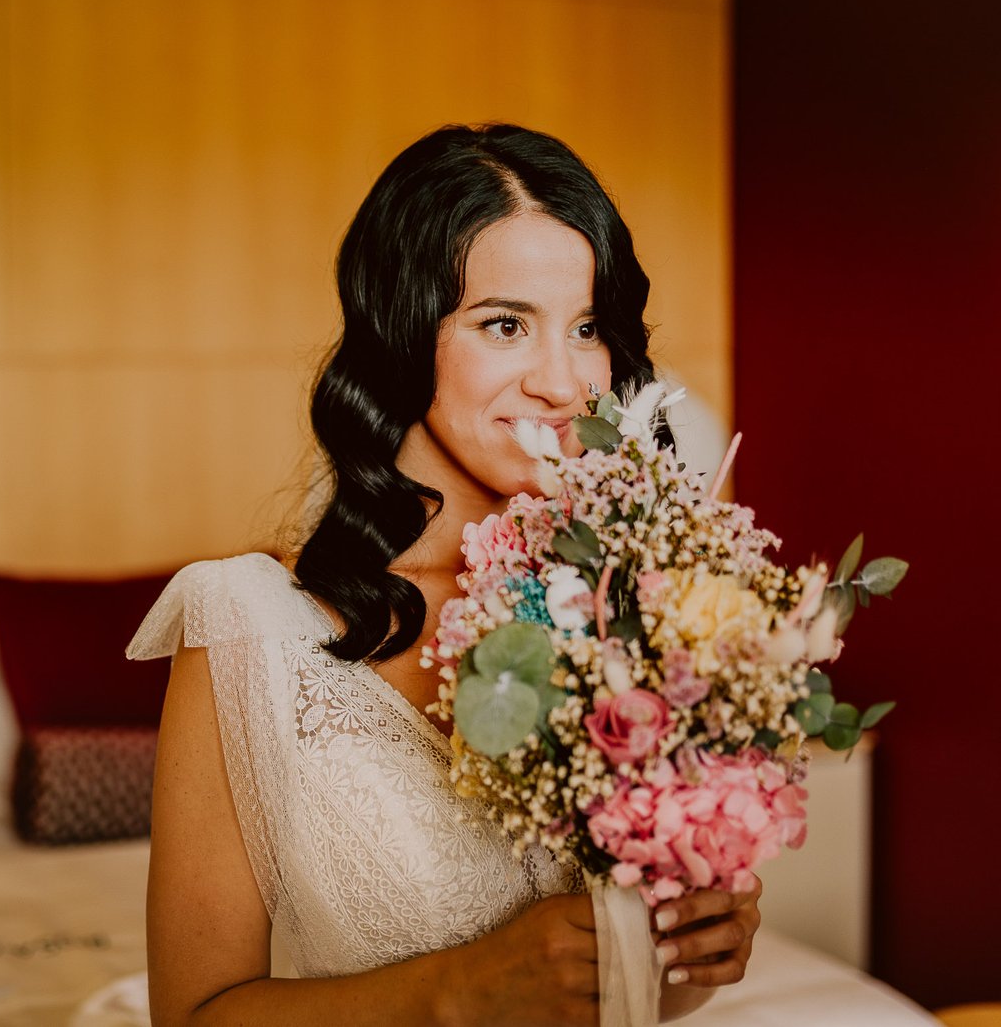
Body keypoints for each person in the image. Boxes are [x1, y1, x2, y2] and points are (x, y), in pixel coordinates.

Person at [128, 123, 762, 1027]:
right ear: (401, 331)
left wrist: (696, 944)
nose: (562, 383)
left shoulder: (642, 603)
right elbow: (193, 1017)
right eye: (505, 325)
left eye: (586, 328)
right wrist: (456, 991)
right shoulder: (249, 628)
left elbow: (642, 992)